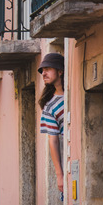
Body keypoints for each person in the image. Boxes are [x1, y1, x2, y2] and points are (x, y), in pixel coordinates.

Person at [38, 52, 65, 196]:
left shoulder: (74, 92)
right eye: (42, 70)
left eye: (48, 69)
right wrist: (59, 175)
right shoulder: (49, 106)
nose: (43, 73)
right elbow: (53, 141)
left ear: (60, 71)